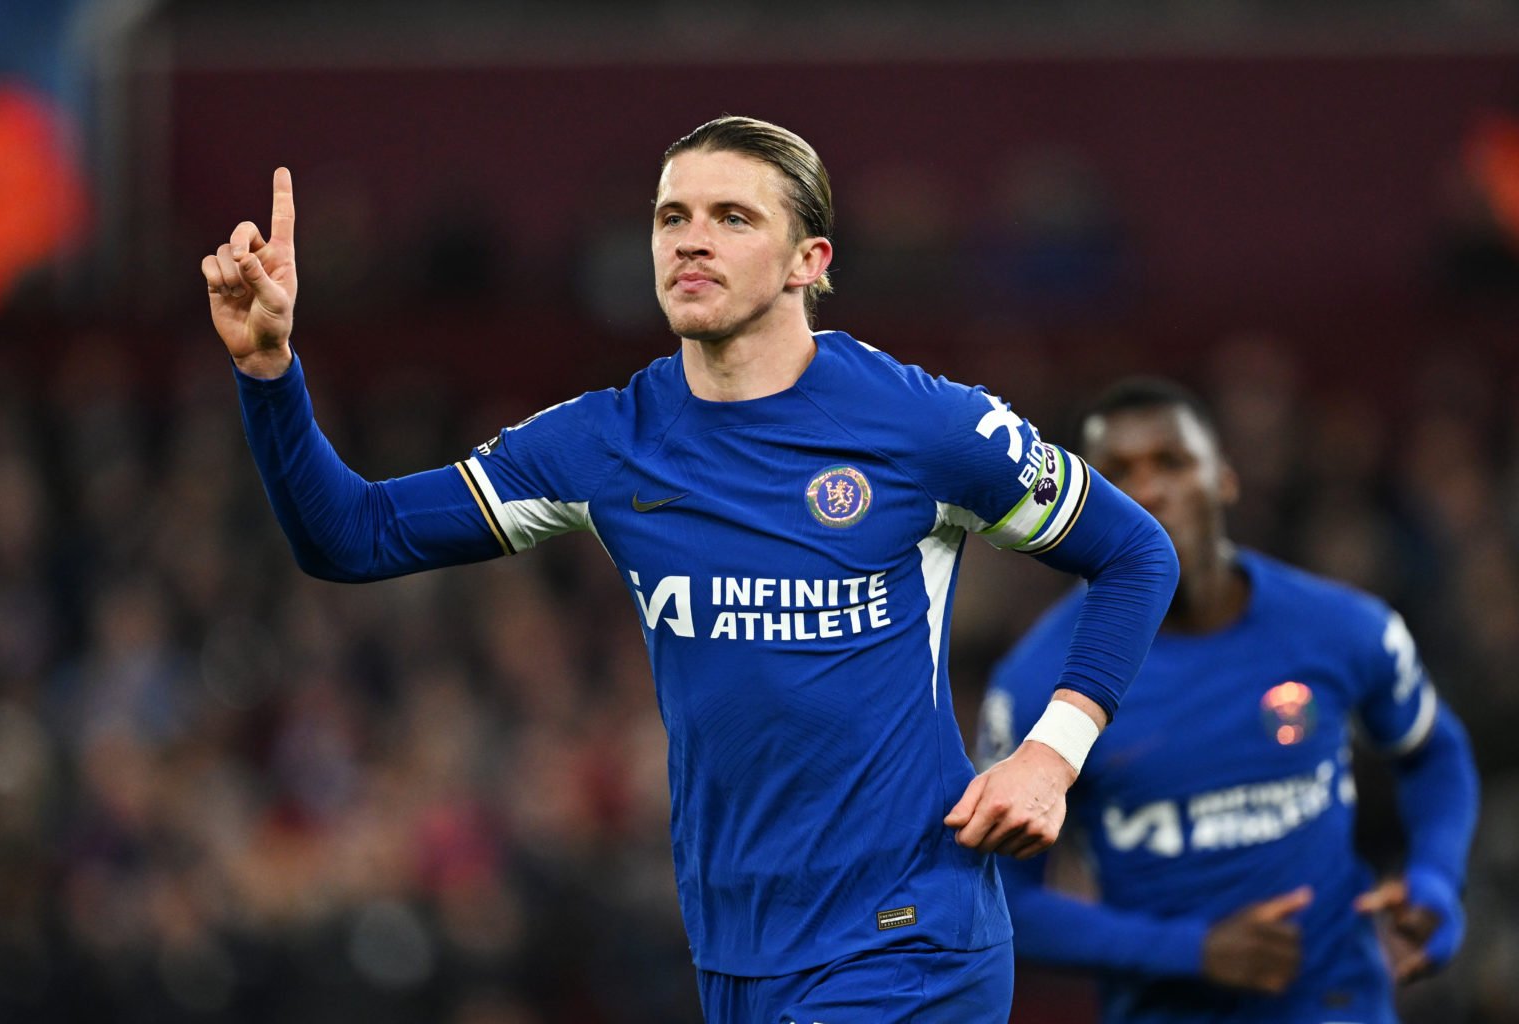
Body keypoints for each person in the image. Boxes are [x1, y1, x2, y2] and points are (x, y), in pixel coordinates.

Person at [200, 115, 1179, 1022]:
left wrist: (1052, 755)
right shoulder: (608, 441)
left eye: (731, 216)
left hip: (909, 936)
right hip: (738, 948)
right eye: (672, 215)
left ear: (809, 260)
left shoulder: (922, 425)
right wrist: (270, 377)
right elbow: (353, 536)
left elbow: (1136, 551)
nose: (690, 238)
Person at [976, 377, 1480, 1024]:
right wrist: (1192, 952)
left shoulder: (1342, 628)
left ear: (1225, 479)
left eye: (1173, 463)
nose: (1150, 490)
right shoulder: (1038, 683)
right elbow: (1002, 901)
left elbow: (1435, 750)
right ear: (1081, 508)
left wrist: (1436, 879)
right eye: (1118, 474)